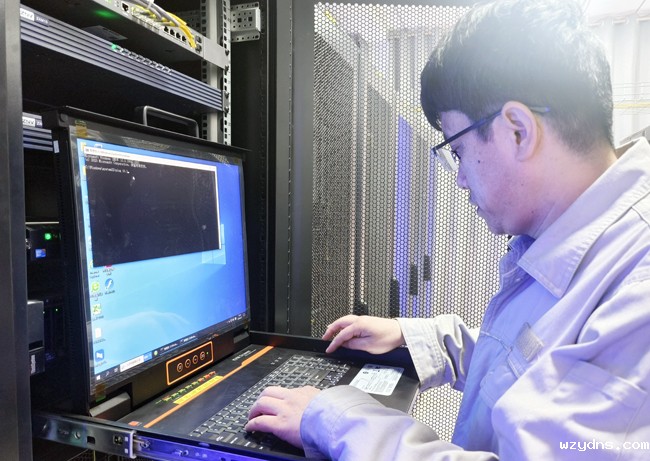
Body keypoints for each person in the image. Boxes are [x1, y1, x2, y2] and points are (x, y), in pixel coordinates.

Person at [245, 0, 650, 459]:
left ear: (517, 130)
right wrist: (420, 338)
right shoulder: (579, 243)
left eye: (457, 151)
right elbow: (530, 361)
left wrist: (338, 419)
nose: (459, 179)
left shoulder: (637, 288)